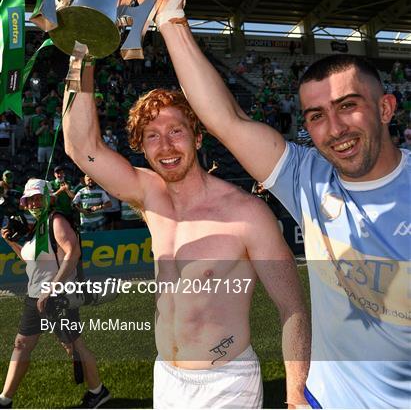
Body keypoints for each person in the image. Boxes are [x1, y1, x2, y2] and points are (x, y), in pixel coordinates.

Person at [136, 0, 411, 409]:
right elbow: (225, 119)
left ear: (385, 107)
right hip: (322, 400)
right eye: (316, 116)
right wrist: (171, 19)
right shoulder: (307, 176)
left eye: (348, 106)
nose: (335, 128)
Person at [63, 79, 310, 408]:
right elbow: (81, 147)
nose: (165, 146)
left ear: (196, 137)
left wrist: (296, 394)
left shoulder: (247, 214)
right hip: (166, 377)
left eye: (175, 131)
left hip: (227, 383)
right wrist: (82, 56)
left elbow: (292, 308)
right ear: (142, 146)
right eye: (152, 135)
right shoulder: (149, 196)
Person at [0, 178, 110, 409]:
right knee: (21, 346)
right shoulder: (38, 226)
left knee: (74, 347)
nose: (33, 203)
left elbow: (73, 252)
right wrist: (11, 243)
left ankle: (98, 392)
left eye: (38, 197)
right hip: (35, 298)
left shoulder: (55, 221)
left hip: (58, 298)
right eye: (29, 199)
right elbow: (31, 261)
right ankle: (5, 399)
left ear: (48, 197)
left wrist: (53, 289)